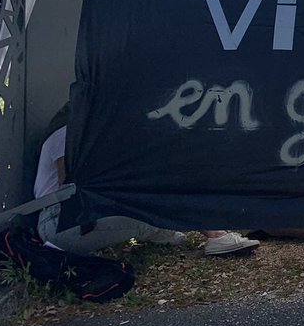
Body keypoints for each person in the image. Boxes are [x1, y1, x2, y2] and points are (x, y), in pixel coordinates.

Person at [34, 108, 260, 257]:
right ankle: (198, 235)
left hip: (76, 220)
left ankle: (206, 234)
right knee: (142, 212)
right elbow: (71, 193)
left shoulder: (84, 131)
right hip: (59, 224)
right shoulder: (68, 132)